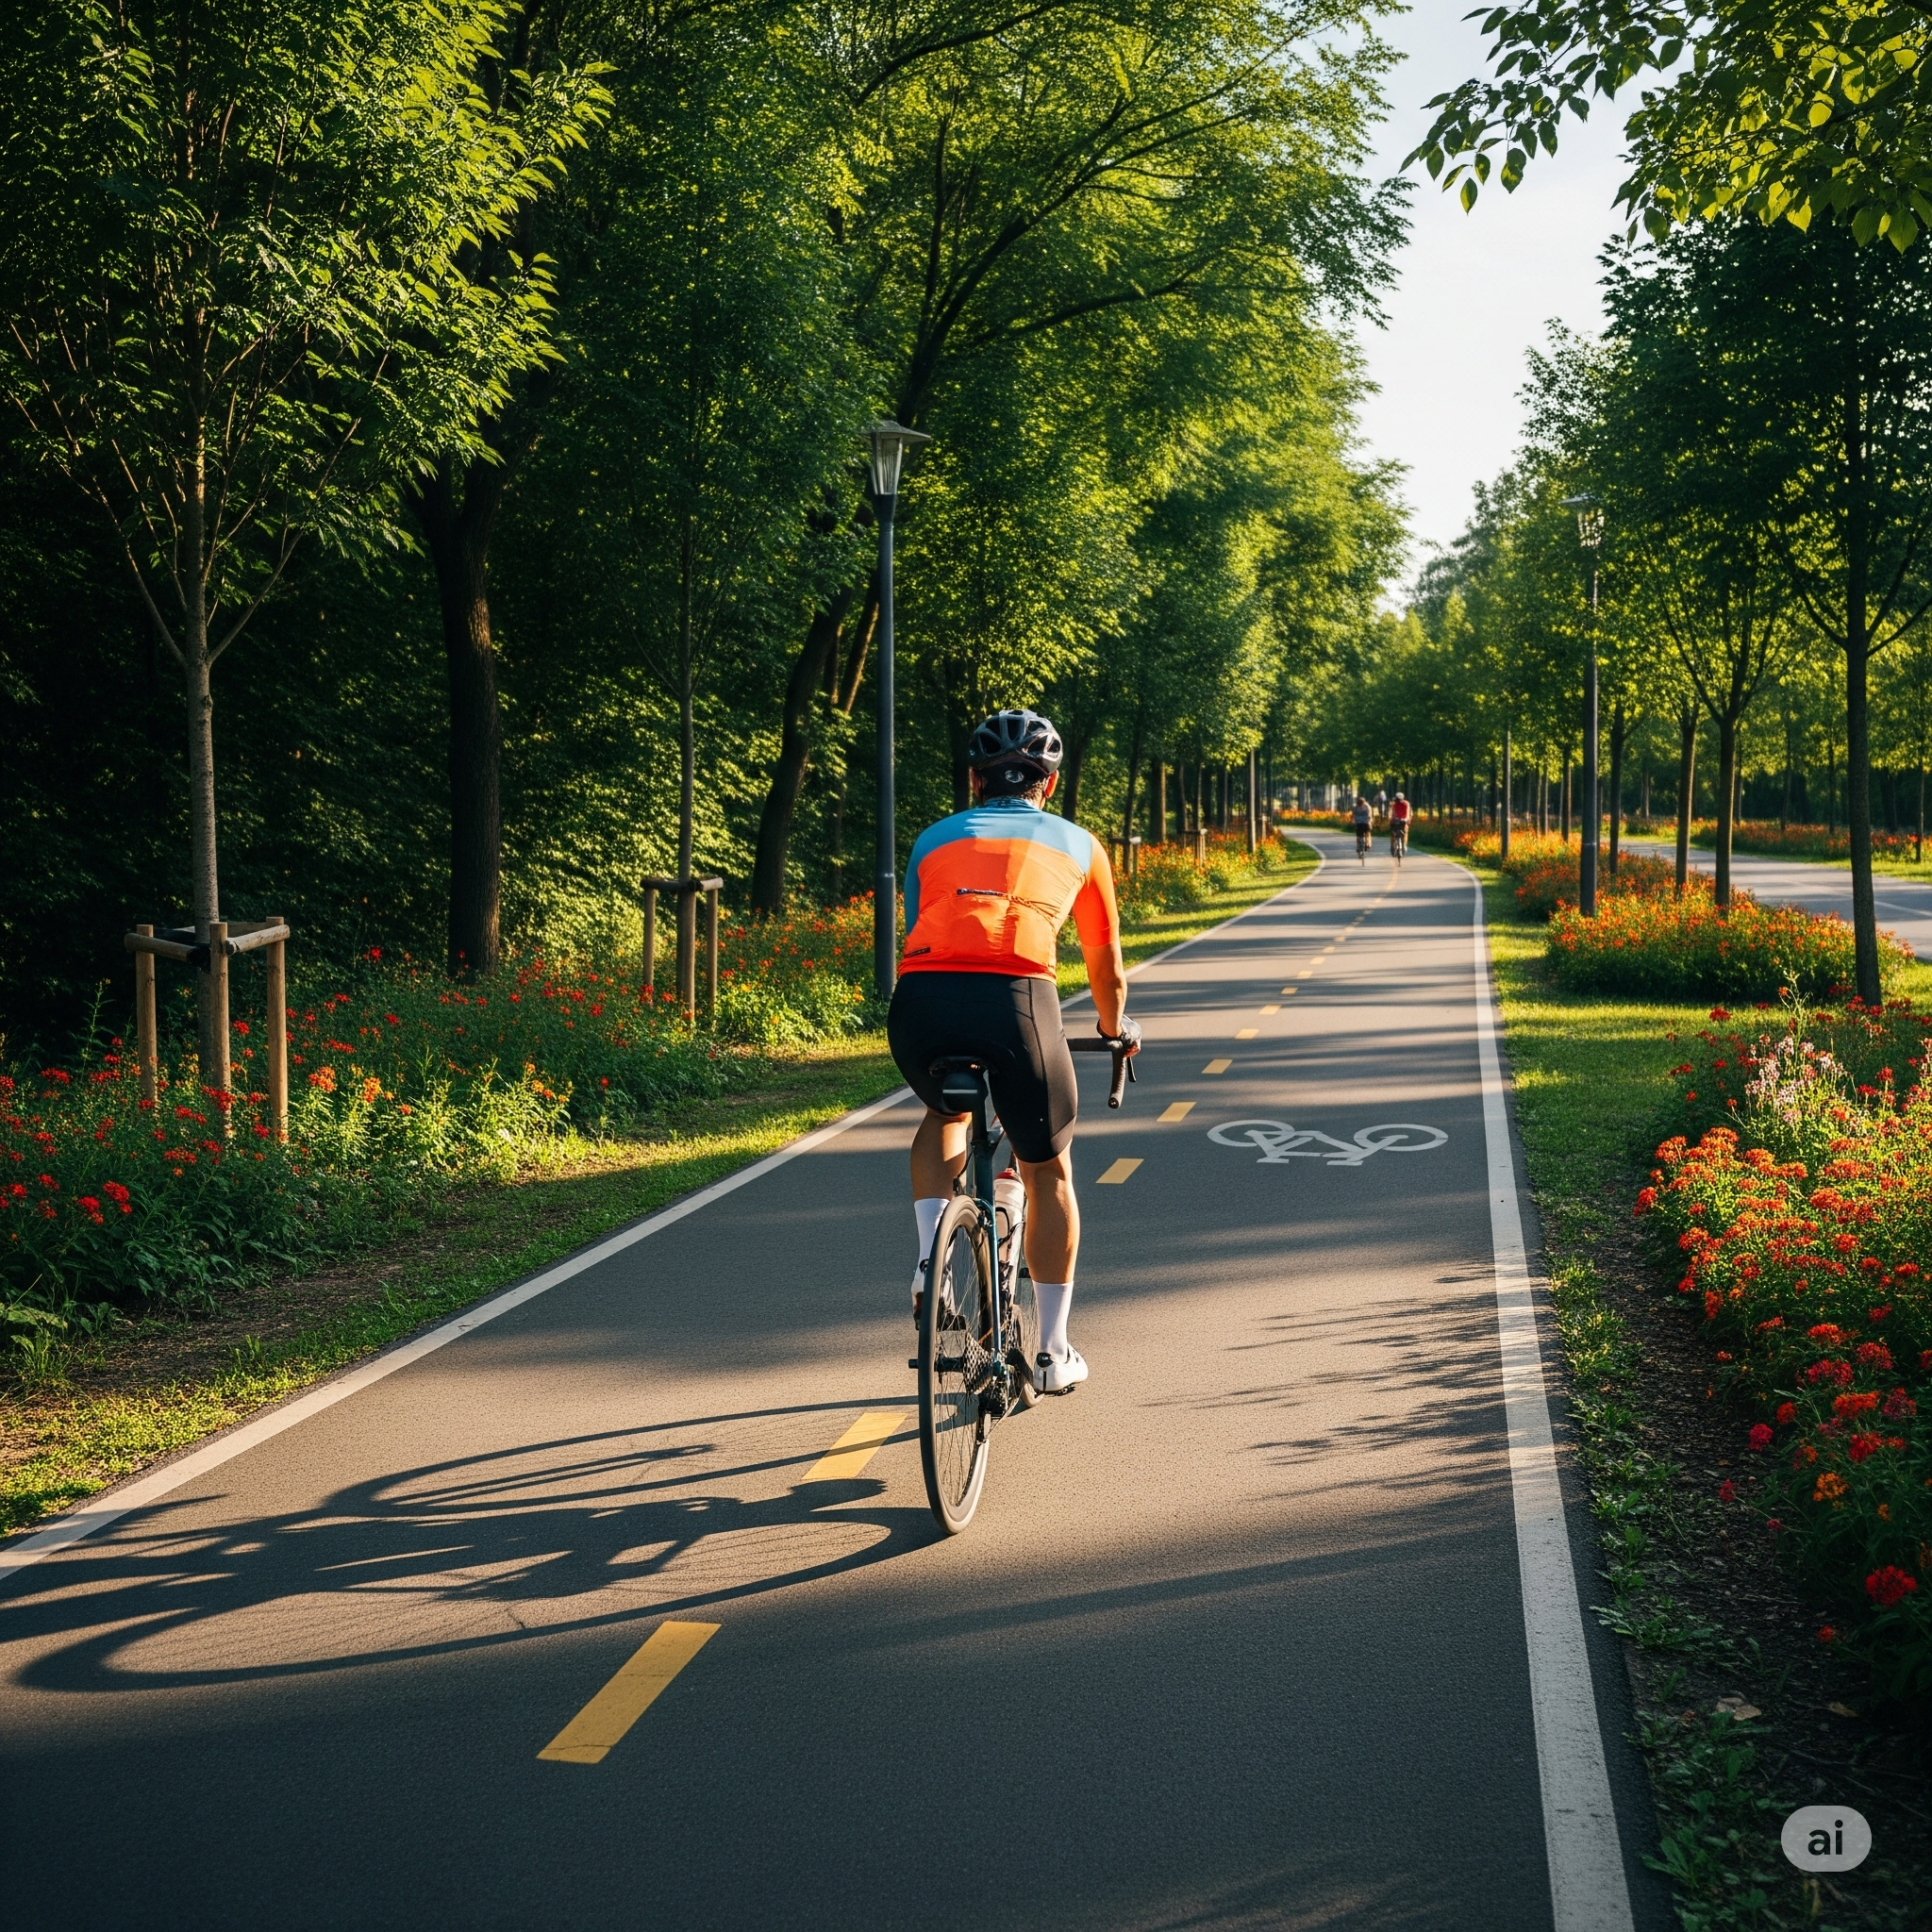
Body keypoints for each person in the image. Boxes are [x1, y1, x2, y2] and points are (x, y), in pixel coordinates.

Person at [888, 708, 1140, 1393]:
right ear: (1048, 785)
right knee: (1047, 1167)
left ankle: (929, 1263)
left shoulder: (931, 839)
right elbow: (1106, 968)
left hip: (920, 1004)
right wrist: (1114, 1029)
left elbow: (921, 932)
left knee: (946, 1113)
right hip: (1018, 1003)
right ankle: (1053, 1352)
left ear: (975, 781)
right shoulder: (1081, 845)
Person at [1390, 790, 1411, 856]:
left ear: (1402, 799)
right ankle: (1392, 846)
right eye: (1397, 800)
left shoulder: (1406, 804)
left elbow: (1407, 813)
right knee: (1393, 833)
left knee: (1405, 832)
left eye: (1398, 800)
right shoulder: (1394, 804)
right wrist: (1392, 818)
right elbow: (1392, 812)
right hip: (1396, 820)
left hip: (1403, 820)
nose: (1397, 801)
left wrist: (1406, 819)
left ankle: (1404, 845)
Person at [1350, 793, 1372, 857]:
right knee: (1359, 836)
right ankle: (1359, 847)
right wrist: (1352, 820)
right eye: (1359, 802)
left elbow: (1370, 814)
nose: (1360, 804)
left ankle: (1367, 843)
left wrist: (1370, 820)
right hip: (1359, 823)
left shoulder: (1367, 806)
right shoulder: (1356, 807)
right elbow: (1353, 814)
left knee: (1367, 833)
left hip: (1365, 822)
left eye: (1361, 802)